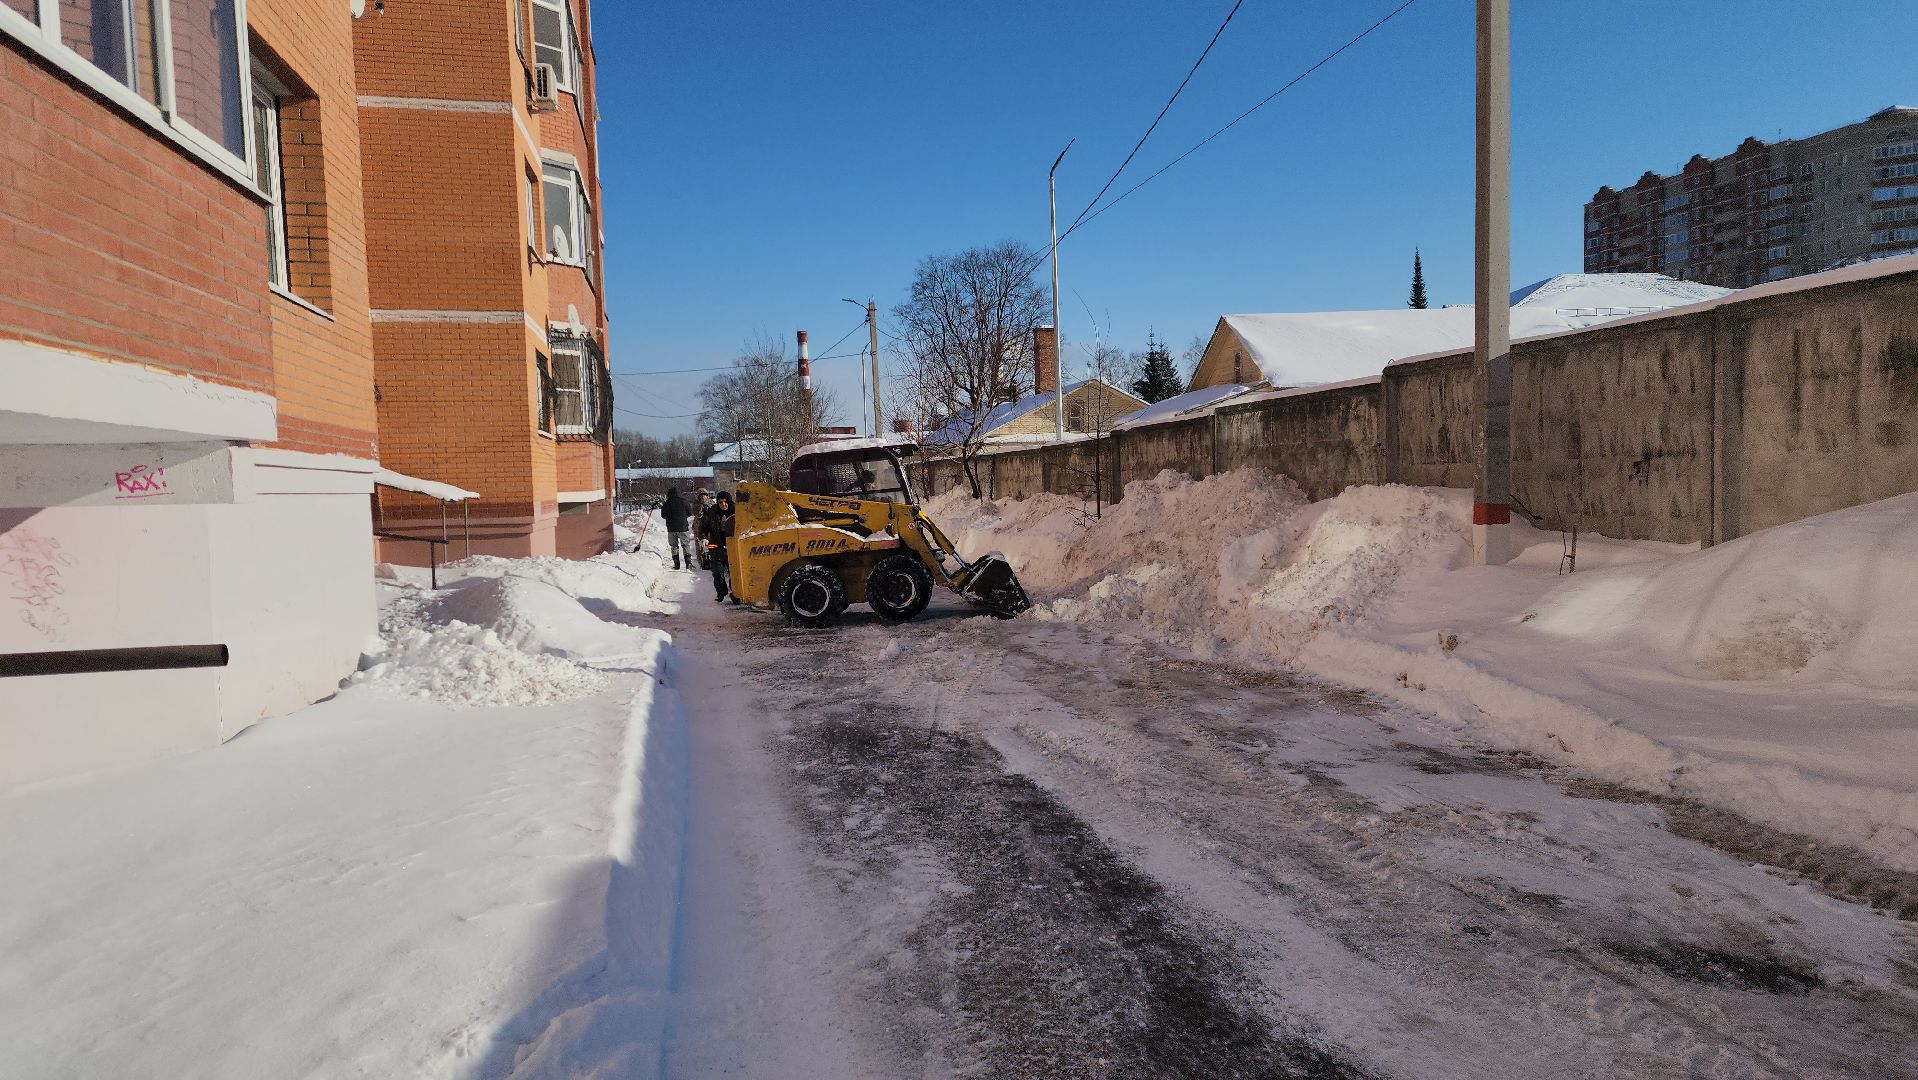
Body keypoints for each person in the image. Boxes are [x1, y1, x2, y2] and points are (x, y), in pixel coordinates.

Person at [700, 491, 736, 602]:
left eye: (725, 502)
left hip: (734, 546)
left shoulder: (738, 510)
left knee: (734, 572)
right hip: (716, 545)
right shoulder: (712, 512)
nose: (723, 504)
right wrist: (704, 537)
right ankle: (721, 593)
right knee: (717, 571)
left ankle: (736, 594)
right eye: (720, 502)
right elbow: (702, 527)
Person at [661, 487, 696, 570]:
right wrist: (683, 516)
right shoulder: (684, 502)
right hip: (683, 527)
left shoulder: (666, 503)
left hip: (671, 528)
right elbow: (690, 513)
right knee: (685, 545)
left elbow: (663, 515)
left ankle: (676, 564)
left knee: (674, 546)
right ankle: (688, 563)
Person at [690, 489, 715, 568]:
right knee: (699, 545)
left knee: (710, 544)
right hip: (698, 527)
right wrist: (701, 508)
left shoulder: (712, 502)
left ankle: (712, 560)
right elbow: (694, 512)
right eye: (701, 496)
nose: (703, 497)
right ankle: (702, 561)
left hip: (709, 527)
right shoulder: (696, 504)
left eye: (704, 495)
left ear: (707, 495)